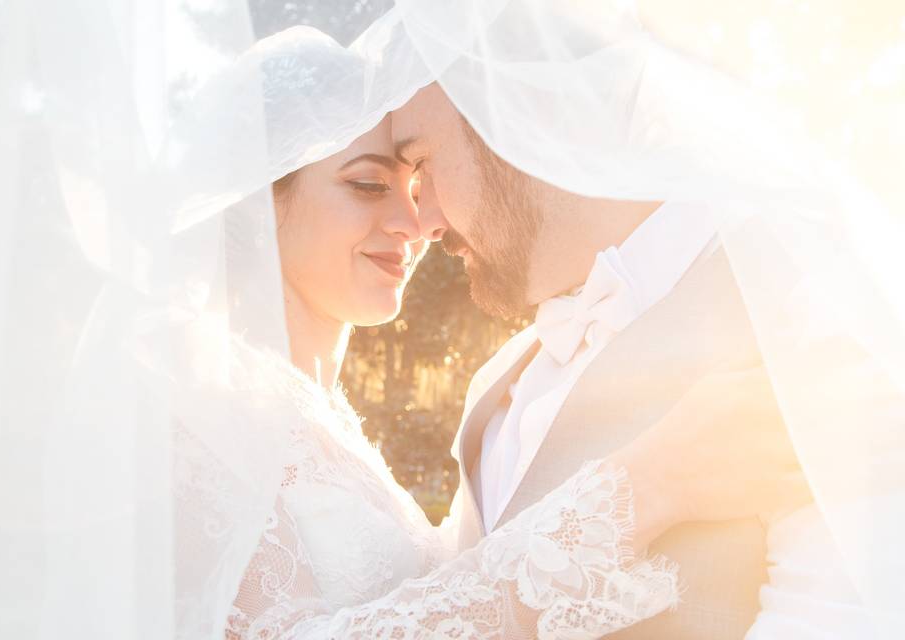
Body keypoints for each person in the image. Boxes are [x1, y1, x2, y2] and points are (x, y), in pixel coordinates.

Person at [211, 26, 806, 639]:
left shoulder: (784, 294)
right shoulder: (190, 411)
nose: (417, 223)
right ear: (257, 204)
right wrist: (643, 489)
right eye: (367, 184)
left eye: (417, 179)